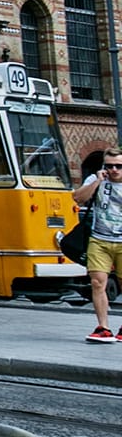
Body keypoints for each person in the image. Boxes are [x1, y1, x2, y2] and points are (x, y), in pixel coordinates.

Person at [74, 147, 122, 343]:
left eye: (119, 166)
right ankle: (103, 327)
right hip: (99, 239)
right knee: (97, 282)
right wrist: (97, 181)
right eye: (109, 166)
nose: (114, 170)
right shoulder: (95, 180)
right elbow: (78, 198)